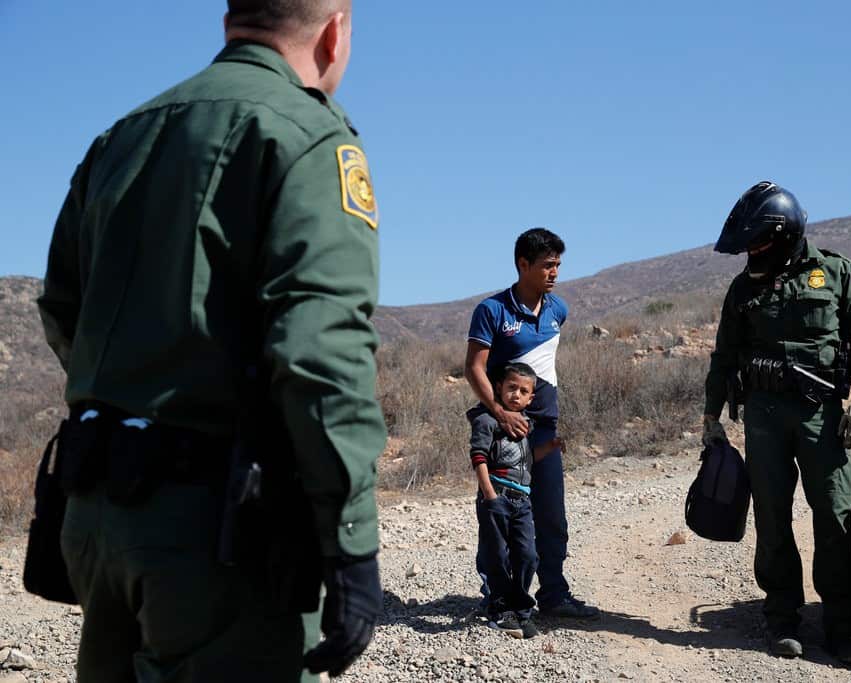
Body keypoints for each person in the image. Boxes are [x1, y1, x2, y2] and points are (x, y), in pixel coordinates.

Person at [36, 2, 385, 681]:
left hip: (97, 513)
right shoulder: (307, 137)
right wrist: (351, 543)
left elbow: (60, 304)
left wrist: (135, 392)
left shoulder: (126, 134)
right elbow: (321, 350)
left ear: (232, 19)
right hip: (215, 535)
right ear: (334, 31)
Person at [702, 181, 851, 667]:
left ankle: (844, 625)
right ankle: (782, 618)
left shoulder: (839, 273)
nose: (752, 254)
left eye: (760, 244)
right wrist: (710, 418)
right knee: (772, 518)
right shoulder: (743, 288)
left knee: (833, 516)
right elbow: (724, 357)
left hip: (823, 416)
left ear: (785, 234)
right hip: (763, 416)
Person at [465, 228, 597, 619]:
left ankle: (554, 593)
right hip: (505, 431)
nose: (554, 272)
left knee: (551, 514)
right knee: (502, 516)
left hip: (544, 430)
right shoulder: (492, 311)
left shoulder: (558, 311)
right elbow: (474, 368)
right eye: (546, 265)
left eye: (558, 264)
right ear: (523, 264)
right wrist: (501, 413)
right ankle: (499, 598)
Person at [468, 362, 562, 639]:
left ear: (531, 398)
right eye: (511, 388)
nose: (516, 395)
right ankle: (501, 611)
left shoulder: (526, 426)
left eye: (523, 391)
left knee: (527, 555)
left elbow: (528, 458)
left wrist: (551, 447)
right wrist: (489, 494)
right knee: (496, 555)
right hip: (496, 495)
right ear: (499, 388)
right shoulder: (487, 421)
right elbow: (478, 457)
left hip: (522, 500)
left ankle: (521, 608)